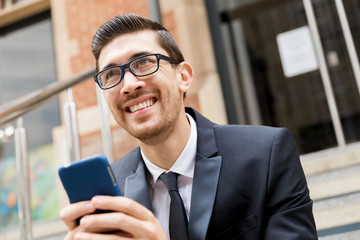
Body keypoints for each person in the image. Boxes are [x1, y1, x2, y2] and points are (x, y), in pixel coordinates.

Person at [60, 13, 318, 240]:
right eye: (111, 74)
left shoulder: (266, 154)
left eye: (144, 62)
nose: (129, 84)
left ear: (183, 77)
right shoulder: (112, 190)